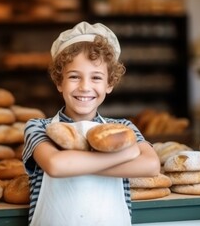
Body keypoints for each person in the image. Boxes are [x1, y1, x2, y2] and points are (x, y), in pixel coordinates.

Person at [22, 21, 161, 225]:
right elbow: (56, 165)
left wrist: (76, 164)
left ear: (109, 84)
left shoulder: (123, 128)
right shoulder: (38, 127)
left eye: (96, 77)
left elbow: (151, 165)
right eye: (74, 77)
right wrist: (125, 155)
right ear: (59, 82)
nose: (85, 87)